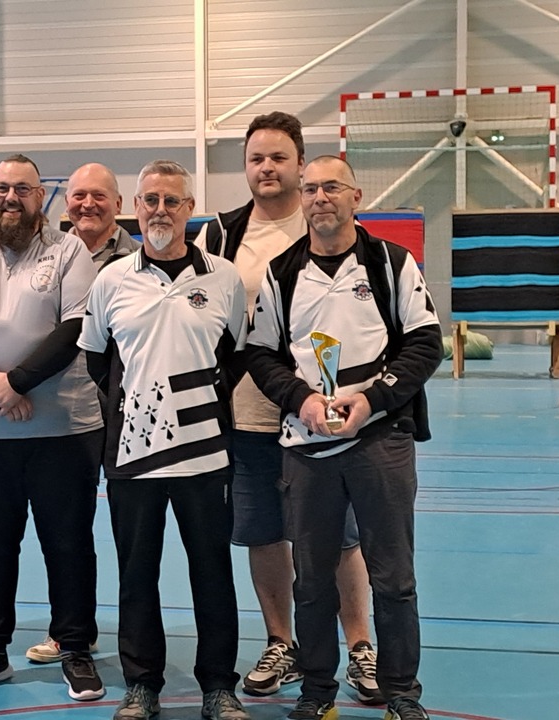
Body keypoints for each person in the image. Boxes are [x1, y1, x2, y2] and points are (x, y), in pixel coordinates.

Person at [243, 155, 440, 720]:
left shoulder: (391, 264)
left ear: (356, 197)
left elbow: (426, 343)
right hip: (307, 449)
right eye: (310, 189)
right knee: (311, 581)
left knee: (393, 578)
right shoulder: (282, 273)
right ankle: (316, 693)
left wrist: (372, 399)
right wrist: (301, 400)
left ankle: (401, 694)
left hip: (381, 442)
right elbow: (260, 353)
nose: (319, 197)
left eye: (332, 187)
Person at [203, 112, 381, 702]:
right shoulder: (221, 236)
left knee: (342, 538)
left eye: (279, 157)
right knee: (262, 531)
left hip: (328, 420)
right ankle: (283, 642)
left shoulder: (329, 224)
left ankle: (360, 645)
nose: (267, 168)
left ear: (300, 164)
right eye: (256, 158)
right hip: (249, 414)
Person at [0, 154, 107, 702]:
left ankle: (75, 649)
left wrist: (20, 382)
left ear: (40, 197)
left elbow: (75, 327)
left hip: (64, 431)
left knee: (69, 544)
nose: (12, 198)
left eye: (23, 189)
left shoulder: (69, 251)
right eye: (3, 188)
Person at [79, 160, 250, 720]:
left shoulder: (223, 278)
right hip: (133, 456)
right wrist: (140, 410)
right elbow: (97, 358)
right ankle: (142, 685)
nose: (160, 211)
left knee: (212, 573)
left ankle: (218, 686)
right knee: (136, 575)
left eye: (171, 201)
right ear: (135, 207)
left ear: (189, 209)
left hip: (205, 454)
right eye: (150, 200)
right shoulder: (111, 280)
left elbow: (236, 356)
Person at [24, 161, 134, 666]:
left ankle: (138, 637)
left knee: (134, 531)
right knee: (69, 530)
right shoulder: (46, 255)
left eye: (99, 196)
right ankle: (73, 632)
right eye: (78, 195)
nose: (87, 204)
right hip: (66, 415)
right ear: (65, 203)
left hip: (129, 415)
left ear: (119, 204)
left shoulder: (138, 259)